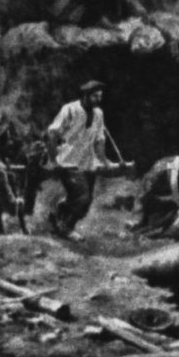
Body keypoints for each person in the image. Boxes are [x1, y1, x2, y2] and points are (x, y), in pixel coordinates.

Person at [44, 80, 118, 240]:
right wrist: (52, 160)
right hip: (68, 161)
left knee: (86, 202)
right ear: (85, 95)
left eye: (100, 96)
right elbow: (52, 134)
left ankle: (58, 212)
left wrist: (104, 161)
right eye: (95, 96)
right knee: (82, 198)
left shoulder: (98, 113)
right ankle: (66, 228)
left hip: (88, 162)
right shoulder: (70, 109)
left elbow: (99, 139)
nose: (98, 100)